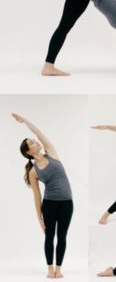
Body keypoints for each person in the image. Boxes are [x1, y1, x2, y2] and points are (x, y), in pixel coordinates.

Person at [13, 113, 73, 279]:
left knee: (62, 236)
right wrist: (39, 217)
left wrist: (25, 121)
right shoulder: (33, 171)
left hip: (67, 203)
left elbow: (39, 133)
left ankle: (58, 269)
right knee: (49, 237)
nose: (35, 141)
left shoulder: (51, 153)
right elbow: (37, 195)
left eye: (33, 140)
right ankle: (49, 269)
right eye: (31, 143)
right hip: (49, 205)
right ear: (29, 152)